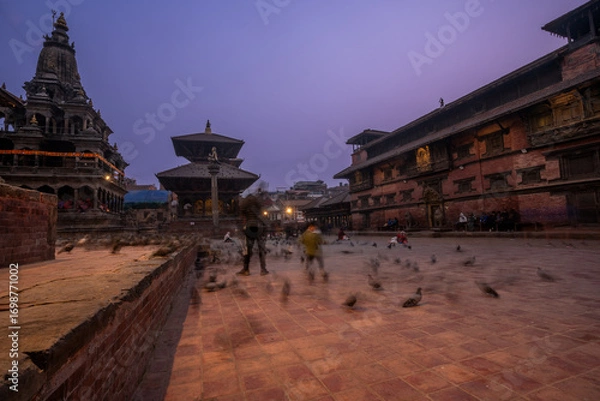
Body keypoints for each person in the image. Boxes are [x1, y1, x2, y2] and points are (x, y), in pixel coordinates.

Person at [236, 190, 269, 276]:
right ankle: (263, 269)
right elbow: (264, 214)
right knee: (261, 249)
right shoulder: (259, 204)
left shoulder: (244, 205)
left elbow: (241, 216)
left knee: (248, 250)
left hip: (250, 227)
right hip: (259, 227)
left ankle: (246, 269)